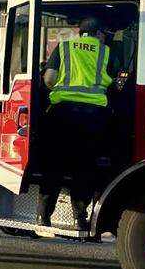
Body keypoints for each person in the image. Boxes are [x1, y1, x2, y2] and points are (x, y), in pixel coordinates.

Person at [38, 16, 116, 230]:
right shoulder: (106, 52)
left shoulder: (64, 48)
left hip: (62, 114)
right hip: (94, 117)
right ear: (99, 33)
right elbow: (116, 82)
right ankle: (79, 220)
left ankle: (43, 217)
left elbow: (49, 79)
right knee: (84, 169)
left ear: (79, 31)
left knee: (54, 165)